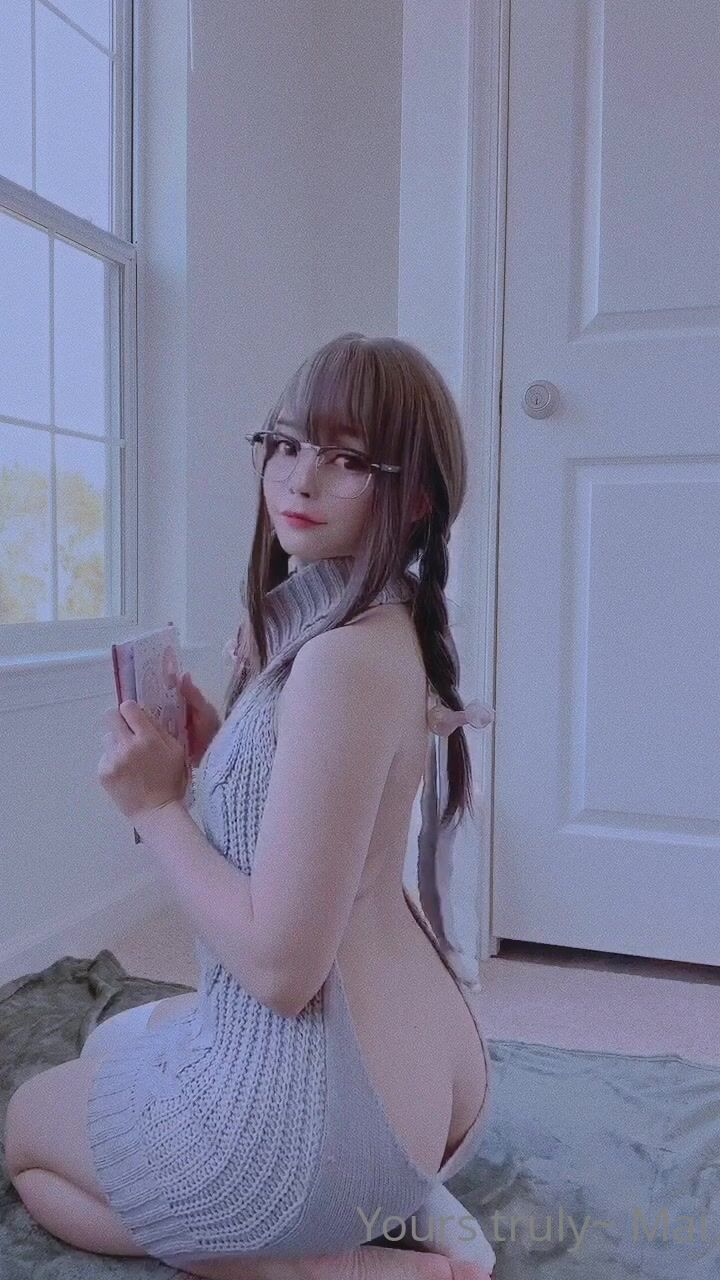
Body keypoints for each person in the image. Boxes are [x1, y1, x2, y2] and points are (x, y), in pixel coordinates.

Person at [87, 333, 497, 1279]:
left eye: (348, 458)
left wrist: (157, 809)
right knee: (116, 1038)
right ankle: (393, 1205)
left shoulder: (340, 660)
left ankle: (326, 1264)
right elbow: (328, 830)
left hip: (339, 1130)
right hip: (431, 1087)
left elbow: (280, 971)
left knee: (30, 1134)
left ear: (416, 496)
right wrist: (211, 757)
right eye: (285, 444)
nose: (300, 479)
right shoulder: (374, 619)